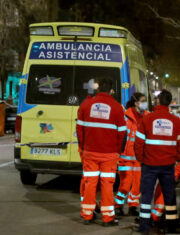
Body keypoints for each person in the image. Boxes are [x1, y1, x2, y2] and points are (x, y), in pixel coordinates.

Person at [76, 78, 126, 226]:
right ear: (111, 90)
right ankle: (107, 218)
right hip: (109, 154)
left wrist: (83, 147)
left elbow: (79, 130)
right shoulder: (117, 107)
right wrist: (118, 150)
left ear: (98, 89)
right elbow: (122, 133)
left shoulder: (86, 105)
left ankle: (87, 215)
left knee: (90, 183)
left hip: (90, 152)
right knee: (107, 184)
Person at [134, 89, 180, 234]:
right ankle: (172, 226)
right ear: (169, 102)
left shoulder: (147, 119)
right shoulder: (176, 121)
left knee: (146, 196)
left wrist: (141, 159)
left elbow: (138, 143)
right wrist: (176, 158)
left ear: (158, 101)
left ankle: (144, 227)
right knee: (169, 196)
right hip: (168, 165)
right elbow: (179, 144)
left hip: (149, 164)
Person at [115, 93, 148, 216]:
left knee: (138, 184)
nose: (145, 103)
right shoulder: (125, 116)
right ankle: (118, 205)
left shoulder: (147, 116)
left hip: (139, 157)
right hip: (125, 157)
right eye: (143, 101)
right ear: (136, 103)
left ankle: (133, 205)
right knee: (125, 183)